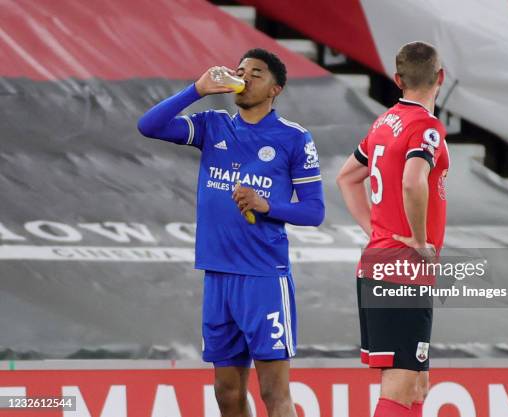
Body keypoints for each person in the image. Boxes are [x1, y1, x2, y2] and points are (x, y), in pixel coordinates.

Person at [137, 48, 324, 417]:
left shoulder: (293, 138)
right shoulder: (213, 125)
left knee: (274, 393)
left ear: (276, 89)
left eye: (257, 73)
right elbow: (149, 126)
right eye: (241, 70)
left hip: (263, 279)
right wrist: (197, 89)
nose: (245, 77)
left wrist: (267, 205)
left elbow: (314, 211)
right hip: (218, 275)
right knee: (226, 393)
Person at [336, 41, 449, 417]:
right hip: (404, 267)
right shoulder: (427, 127)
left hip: (381, 263)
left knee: (417, 384)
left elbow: (348, 177)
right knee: (401, 387)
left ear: (398, 80)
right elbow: (412, 181)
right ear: (441, 78)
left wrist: (377, 230)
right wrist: (418, 240)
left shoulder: (384, 123)